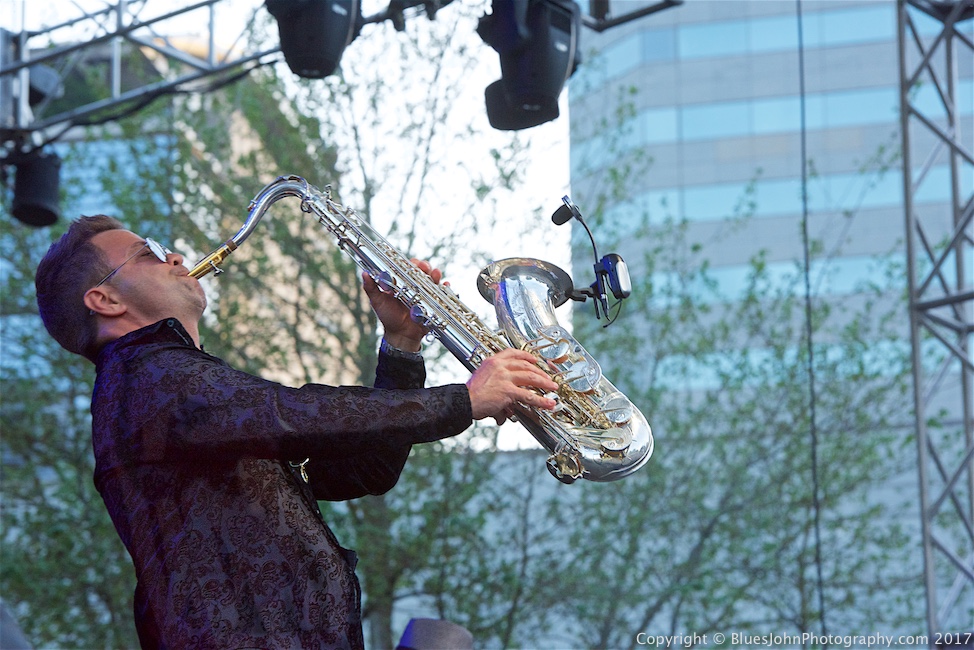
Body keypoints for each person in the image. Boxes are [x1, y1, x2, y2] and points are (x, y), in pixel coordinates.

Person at [34, 215, 559, 649]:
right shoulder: (147, 377)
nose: (174, 257)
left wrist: (401, 346)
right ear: (104, 301)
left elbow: (362, 469)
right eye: (148, 252)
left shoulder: (177, 389)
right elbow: (299, 413)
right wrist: (463, 399)